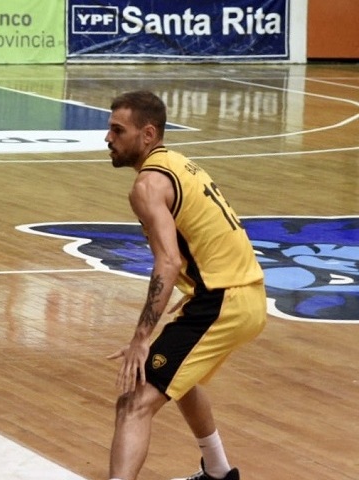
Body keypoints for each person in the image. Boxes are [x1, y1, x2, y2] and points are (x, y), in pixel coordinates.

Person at [103, 91, 266, 480]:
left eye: (116, 130)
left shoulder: (147, 185)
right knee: (177, 375)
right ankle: (217, 470)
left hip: (222, 301)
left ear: (147, 134)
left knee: (134, 402)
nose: (107, 138)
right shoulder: (177, 163)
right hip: (239, 294)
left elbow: (170, 261)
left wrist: (142, 337)